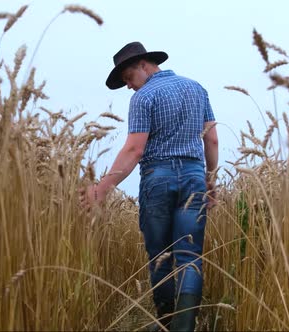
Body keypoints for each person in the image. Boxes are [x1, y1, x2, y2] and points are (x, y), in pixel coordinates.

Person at [80, 41, 218, 331]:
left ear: (144, 66)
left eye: (128, 79)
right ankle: (184, 327)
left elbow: (134, 150)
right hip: (194, 176)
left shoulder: (144, 98)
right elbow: (212, 139)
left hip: (158, 178)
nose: (129, 87)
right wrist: (211, 178)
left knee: (160, 256)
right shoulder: (197, 88)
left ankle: (167, 323)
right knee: (189, 255)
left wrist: (101, 189)